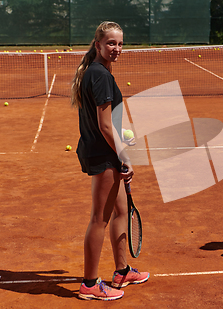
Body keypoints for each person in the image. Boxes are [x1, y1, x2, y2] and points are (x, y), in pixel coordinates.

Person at [71, 21, 149, 300]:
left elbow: (108, 121)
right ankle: (90, 285)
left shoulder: (97, 71)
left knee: (121, 212)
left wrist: (125, 137)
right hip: (104, 155)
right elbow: (104, 125)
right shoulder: (100, 74)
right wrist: (124, 156)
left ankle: (122, 271)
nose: (116, 48)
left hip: (105, 150)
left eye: (120, 43)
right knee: (98, 220)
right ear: (98, 45)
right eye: (111, 43)